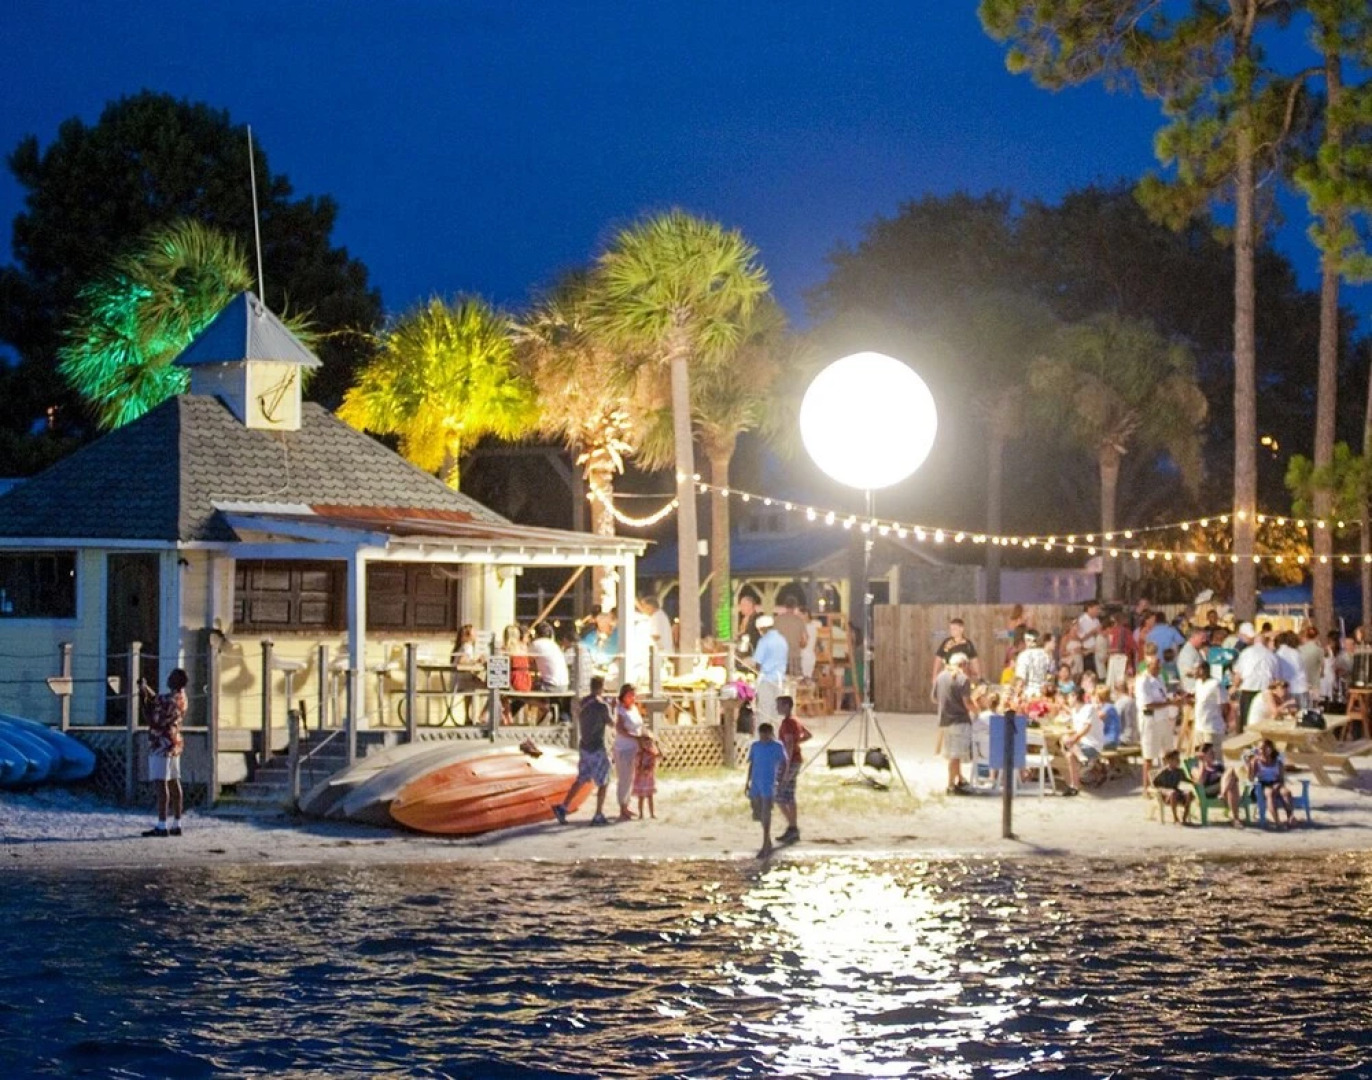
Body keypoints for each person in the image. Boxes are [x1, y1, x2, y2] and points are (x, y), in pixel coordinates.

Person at [553, 675, 612, 825]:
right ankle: (598, 813)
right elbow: (611, 723)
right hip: (597, 746)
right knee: (604, 781)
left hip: (584, 745)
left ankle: (564, 806)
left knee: (581, 778)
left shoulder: (583, 702)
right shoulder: (602, 705)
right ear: (601, 686)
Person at [139, 668, 188, 837]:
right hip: (175, 742)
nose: (167, 678)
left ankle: (161, 824)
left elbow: (153, 719)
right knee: (175, 781)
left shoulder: (169, 701)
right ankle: (177, 822)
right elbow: (157, 698)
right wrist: (146, 688)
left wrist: (142, 699)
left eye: (171, 677)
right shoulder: (181, 697)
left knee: (161, 783)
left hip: (161, 743)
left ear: (176, 681)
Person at [1135, 646, 1179, 792]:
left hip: (1163, 718)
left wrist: (1173, 700)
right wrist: (1169, 703)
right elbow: (1148, 704)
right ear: (1148, 667)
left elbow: (1162, 696)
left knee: (1168, 751)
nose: (1158, 669)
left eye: (1159, 666)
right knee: (1149, 755)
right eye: (1155, 667)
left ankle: (1168, 781)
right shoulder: (1143, 681)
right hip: (1150, 720)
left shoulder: (1159, 677)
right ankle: (1146, 788)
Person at [744, 721, 789, 858]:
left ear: (771, 734)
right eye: (762, 735)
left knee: (766, 812)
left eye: (766, 735)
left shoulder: (777, 746)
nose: (764, 738)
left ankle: (765, 842)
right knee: (758, 812)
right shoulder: (755, 746)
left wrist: (782, 780)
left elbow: (785, 763)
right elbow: (752, 763)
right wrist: (747, 782)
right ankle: (767, 839)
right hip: (756, 782)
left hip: (769, 783)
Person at [934, 652, 975, 795]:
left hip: (945, 721)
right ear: (963, 664)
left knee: (953, 753)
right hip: (959, 720)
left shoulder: (940, 677)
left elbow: (934, 698)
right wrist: (978, 711)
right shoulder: (963, 679)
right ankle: (951, 785)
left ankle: (960, 779)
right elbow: (967, 702)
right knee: (955, 756)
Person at [775, 695, 811, 844]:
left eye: (779, 705)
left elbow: (789, 745)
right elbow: (808, 735)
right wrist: (798, 742)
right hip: (796, 760)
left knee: (779, 795)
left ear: (786, 706)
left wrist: (786, 765)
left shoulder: (788, 723)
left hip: (789, 762)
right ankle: (792, 828)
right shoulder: (795, 721)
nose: (777, 708)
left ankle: (793, 827)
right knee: (789, 794)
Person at [1232, 625, 1280, 733]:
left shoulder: (1246, 653)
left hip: (1248, 689)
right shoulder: (1272, 656)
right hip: (1265, 691)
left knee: (1247, 721)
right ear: (1265, 642)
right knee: (1263, 720)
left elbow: (1238, 675)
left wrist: (1234, 686)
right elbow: (1276, 678)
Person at [1061, 686, 1105, 795]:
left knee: (1066, 741)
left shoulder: (1089, 709)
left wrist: (1073, 738)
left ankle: (1081, 760)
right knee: (1069, 754)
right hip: (1080, 744)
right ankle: (1074, 786)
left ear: (1075, 697)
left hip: (1093, 744)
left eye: (1069, 697)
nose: (1068, 700)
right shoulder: (1075, 711)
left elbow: (1086, 728)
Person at [1191, 742, 1245, 827]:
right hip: (1207, 790)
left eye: (1214, 752)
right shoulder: (1195, 767)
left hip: (1222, 789)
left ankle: (1235, 819)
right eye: (1211, 753)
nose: (1214, 755)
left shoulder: (1218, 766)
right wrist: (1202, 763)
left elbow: (1230, 778)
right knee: (1231, 775)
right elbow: (1201, 781)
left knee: (1232, 783)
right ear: (1204, 755)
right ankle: (1235, 818)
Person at [612, 683, 645, 821]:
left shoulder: (635, 708)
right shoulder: (620, 710)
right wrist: (635, 737)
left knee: (631, 778)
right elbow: (620, 729)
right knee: (624, 778)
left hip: (635, 747)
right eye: (630, 695)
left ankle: (627, 805)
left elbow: (640, 725)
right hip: (623, 747)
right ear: (623, 695)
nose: (633, 697)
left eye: (634, 695)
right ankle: (622, 808)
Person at [1247, 738, 1296, 828]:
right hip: (1261, 785)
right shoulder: (1256, 762)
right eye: (1261, 748)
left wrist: (1278, 785)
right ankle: (1277, 821)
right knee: (1270, 793)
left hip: (1276, 783)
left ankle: (1290, 816)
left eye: (1266, 748)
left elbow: (1281, 779)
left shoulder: (1278, 762)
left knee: (1286, 792)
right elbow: (1250, 779)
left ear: (1271, 749)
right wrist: (1251, 766)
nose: (1263, 750)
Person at [752, 614, 789, 727]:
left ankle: (764, 740)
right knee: (777, 713)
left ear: (762, 629)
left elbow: (757, 663)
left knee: (764, 712)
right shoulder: (782, 640)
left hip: (766, 680)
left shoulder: (764, 641)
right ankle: (777, 738)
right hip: (780, 680)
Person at [1191, 662, 1228, 755]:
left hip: (1212, 727)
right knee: (1199, 754)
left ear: (1203, 670)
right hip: (1199, 726)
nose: (1193, 672)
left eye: (1196, 669)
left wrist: (1224, 723)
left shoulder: (1215, 684)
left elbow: (1224, 705)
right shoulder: (1198, 683)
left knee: (1213, 756)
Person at [932, 617, 980, 684]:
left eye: (954, 629)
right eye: (951, 629)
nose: (952, 631)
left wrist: (978, 675)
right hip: (948, 675)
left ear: (961, 629)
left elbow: (974, 660)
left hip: (963, 675)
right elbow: (938, 658)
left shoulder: (968, 644)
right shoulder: (946, 643)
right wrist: (934, 676)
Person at [1152, 749, 1194, 824]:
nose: (1178, 761)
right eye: (1176, 759)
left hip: (1176, 791)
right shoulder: (1164, 772)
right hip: (1166, 793)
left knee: (1188, 793)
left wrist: (1194, 782)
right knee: (1173, 793)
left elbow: (1186, 779)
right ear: (1169, 761)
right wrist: (1161, 790)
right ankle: (1175, 818)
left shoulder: (1180, 771)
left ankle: (1184, 817)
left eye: (1179, 759)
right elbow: (1154, 783)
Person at [528, 621, 570, 692]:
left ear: (536, 634)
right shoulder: (554, 644)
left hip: (551, 686)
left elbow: (527, 662)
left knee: (526, 691)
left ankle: (542, 703)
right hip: (564, 685)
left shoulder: (536, 644)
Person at [773, 600, 809, 678]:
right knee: (795, 681)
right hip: (794, 655)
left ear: (785, 606)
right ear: (795, 607)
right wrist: (799, 644)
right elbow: (804, 640)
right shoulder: (799, 621)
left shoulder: (777, 620)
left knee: (780, 681)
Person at [1014, 629, 1053, 698]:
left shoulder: (1023, 655)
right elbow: (1050, 676)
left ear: (1028, 640)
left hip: (1029, 694)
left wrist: (1016, 695)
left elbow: (1021, 679)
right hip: (1043, 693)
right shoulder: (1046, 655)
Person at [1275, 631, 1308, 709]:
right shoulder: (1296, 653)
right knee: (1304, 716)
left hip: (1288, 690)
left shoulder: (1277, 654)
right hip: (1301, 688)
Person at [633, 732, 660, 820]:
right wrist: (641, 769)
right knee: (641, 797)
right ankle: (641, 814)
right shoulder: (639, 754)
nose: (647, 744)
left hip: (648, 777)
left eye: (649, 741)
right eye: (645, 741)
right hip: (641, 777)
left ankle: (652, 813)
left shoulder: (652, 753)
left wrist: (658, 746)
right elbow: (636, 764)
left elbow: (659, 757)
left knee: (650, 796)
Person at [1076, 600, 1102, 675]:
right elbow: (1080, 638)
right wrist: (1092, 632)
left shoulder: (1097, 621)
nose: (1098, 611)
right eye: (1096, 608)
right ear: (1089, 608)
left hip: (1096, 650)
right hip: (1086, 651)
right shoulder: (1082, 620)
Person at [798, 604, 820, 680]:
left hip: (804, 656)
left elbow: (803, 643)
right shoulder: (815, 625)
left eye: (800, 614)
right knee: (807, 678)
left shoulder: (806, 627)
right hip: (810, 656)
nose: (798, 617)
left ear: (806, 614)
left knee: (803, 679)